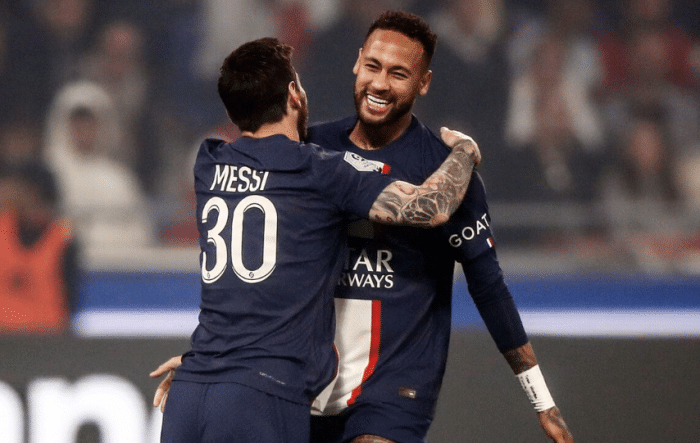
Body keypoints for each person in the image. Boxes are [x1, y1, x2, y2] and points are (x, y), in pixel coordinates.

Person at [152, 11, 574, 443]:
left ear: (423, 82)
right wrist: (215, 363)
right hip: (298, 391)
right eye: (373, 66)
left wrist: (541, 398)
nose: (380, 83)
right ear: (356, 63)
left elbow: (489, 287)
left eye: (398, 73)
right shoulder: (312, 153)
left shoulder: (442, 169)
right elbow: (259, 269)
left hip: (391, 394)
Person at [0, 162, 79, 334]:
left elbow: (71, 296)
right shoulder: (3, 227)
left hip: (47, 337)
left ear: (32, 192)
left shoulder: (63, 239)